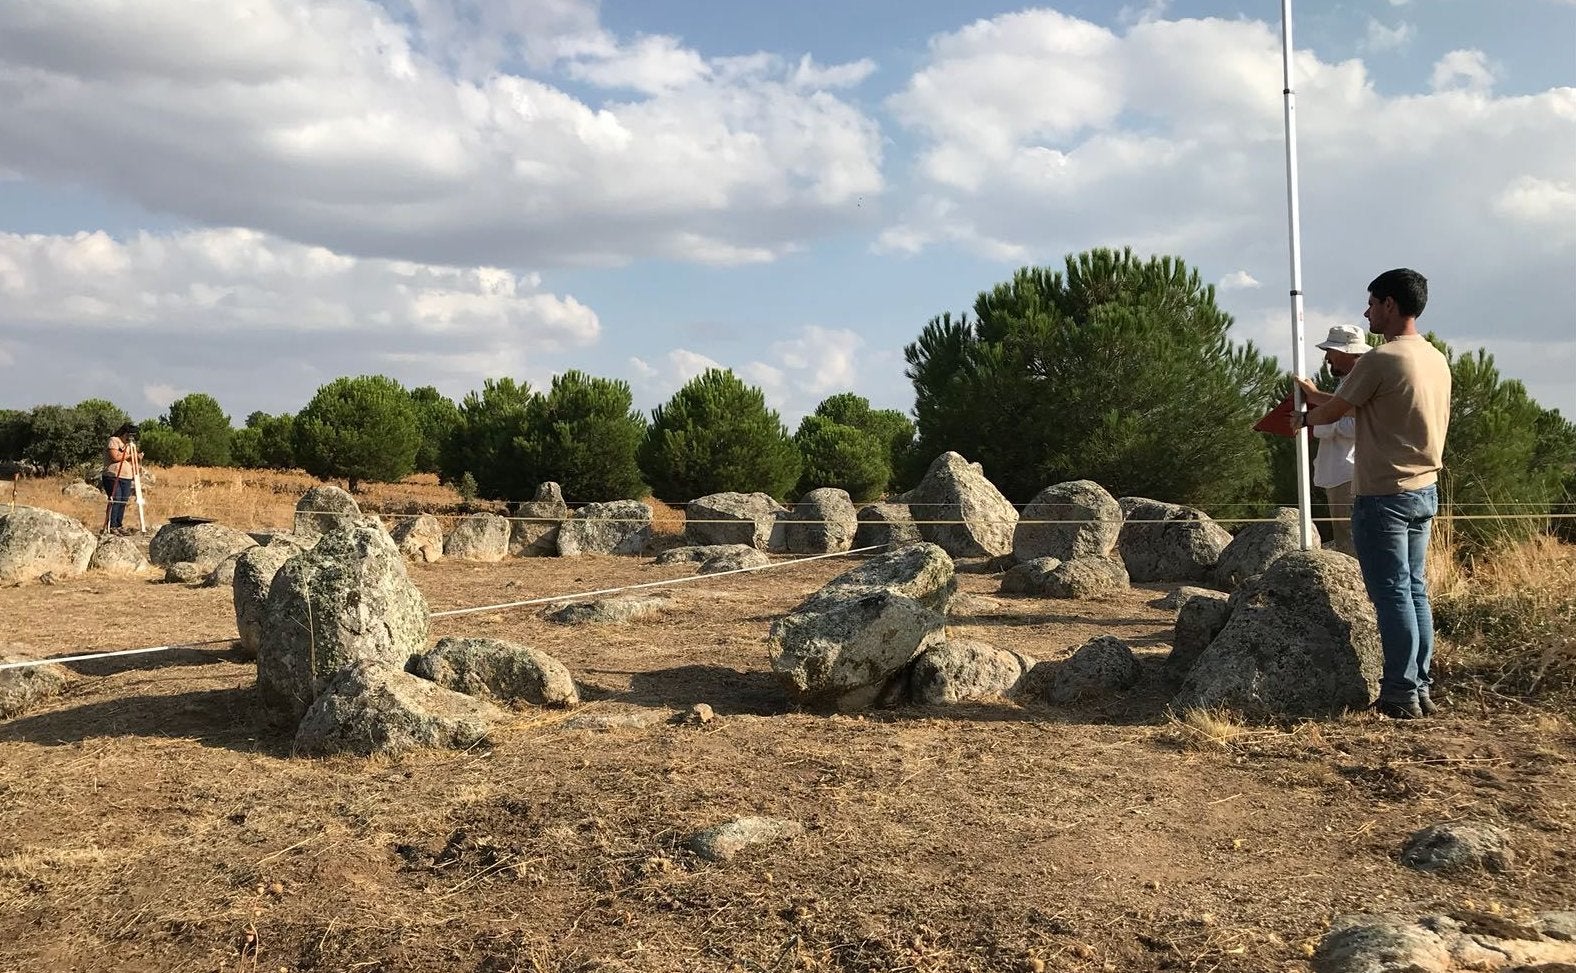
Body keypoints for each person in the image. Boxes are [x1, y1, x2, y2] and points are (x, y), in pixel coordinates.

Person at [1291, 269, 1451, 719]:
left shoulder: (1381, 359)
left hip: (1384, 493)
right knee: (1415, 591)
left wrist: (1301, 418)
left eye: (1372, 303)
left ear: (1390, 305)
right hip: (1424, 488)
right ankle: (1418, 686)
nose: (1367, 312)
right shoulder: (1434, 357)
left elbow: (1337, 409)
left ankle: (1399, 694)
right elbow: (1361, 402)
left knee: (1393, 595)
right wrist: (1317, 395)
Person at [1293, 324, 1370, 551]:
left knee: (1352, 542)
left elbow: (1356, 426)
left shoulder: (1360, 383)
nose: (1327, 358)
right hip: (1339, 473)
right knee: (1345, 538)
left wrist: (1319, 418)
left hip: (1349, 473)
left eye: (1331, 351)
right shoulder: (1346, 383)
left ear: (1348, 352)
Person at [101, 422, 141, 535]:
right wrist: (131, 455)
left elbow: (129, 459)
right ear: (125, 433)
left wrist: (137, 458)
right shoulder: (114, 441)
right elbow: (115, 457)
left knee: (123, 501)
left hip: (126, 477)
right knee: (116, 499)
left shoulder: (129, 445)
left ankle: (118, 524)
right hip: (113, 475)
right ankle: (112, 525)